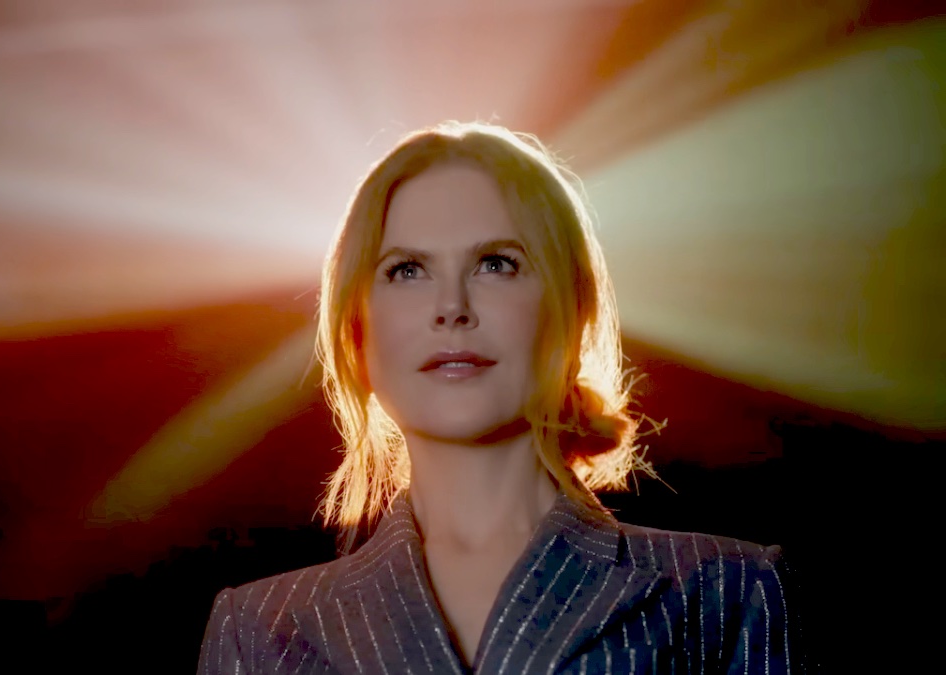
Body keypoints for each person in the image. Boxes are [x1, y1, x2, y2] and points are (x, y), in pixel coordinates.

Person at [197, 121, 808, 674]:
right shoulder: (258, 631)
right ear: (356, 331)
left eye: (496, 263)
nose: (451, 307)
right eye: (406, 270)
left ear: (572, 310)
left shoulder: (726, 593)